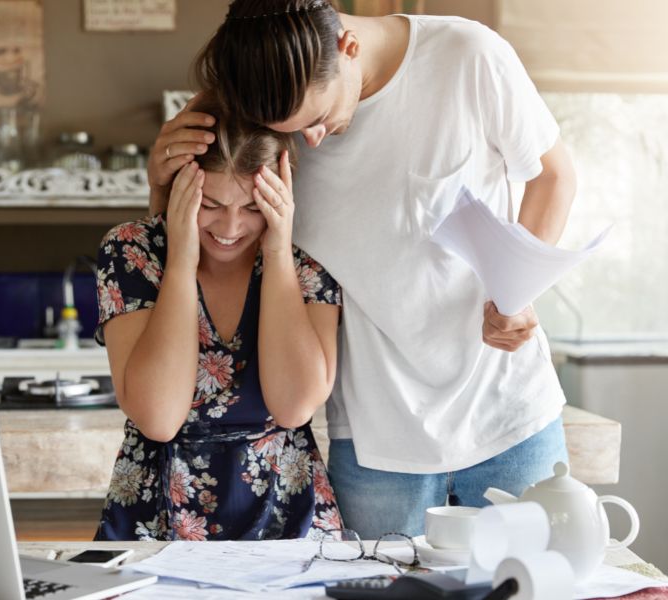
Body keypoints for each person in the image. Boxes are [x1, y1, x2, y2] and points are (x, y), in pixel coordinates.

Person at [148, 1, 577, 538]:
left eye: (316, 118)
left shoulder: (469, 56)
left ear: (347, 47)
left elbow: (553, 177)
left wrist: (516, 289)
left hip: (508, 416)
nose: (312, 141)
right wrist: (159, 182)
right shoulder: (258, 105)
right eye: (292, 129)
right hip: (375, 444)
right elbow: (217, 230)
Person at [94, 97, 343, 541]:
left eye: (252, 208)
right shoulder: (133, 251)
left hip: (286, 512)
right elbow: (159, 417)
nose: (230, 227)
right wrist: (181, 261)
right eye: (209, 203)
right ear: (180, 191)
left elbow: (293, 407)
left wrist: (277, 252)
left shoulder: (307, 258)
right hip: (158, 511)